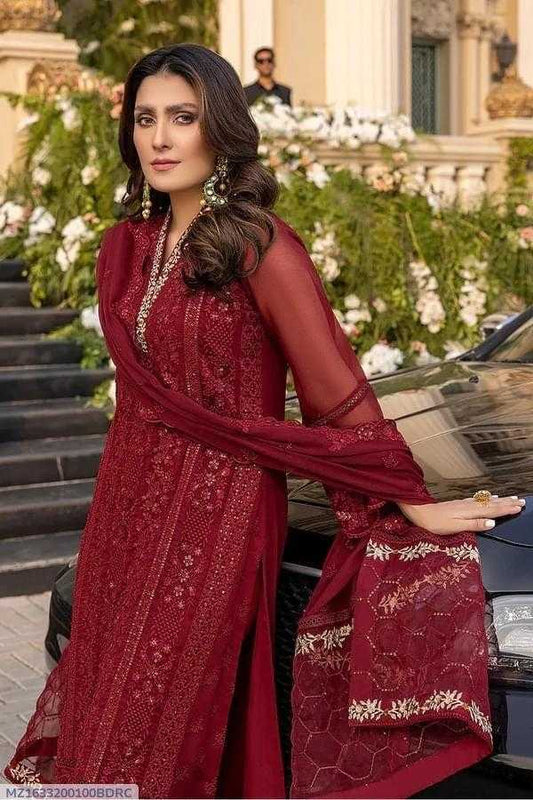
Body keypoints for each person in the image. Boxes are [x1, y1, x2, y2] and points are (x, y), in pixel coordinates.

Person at [3, 42, 524, 799]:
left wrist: (409, 496)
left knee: (163, 712)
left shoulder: (257, 246)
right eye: (145, 119)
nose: (159, 137)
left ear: (218, 128)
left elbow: (335, 393)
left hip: (220, 506)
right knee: (102, 701)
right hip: (126, 504)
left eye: (181, 118)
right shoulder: (127, 247)